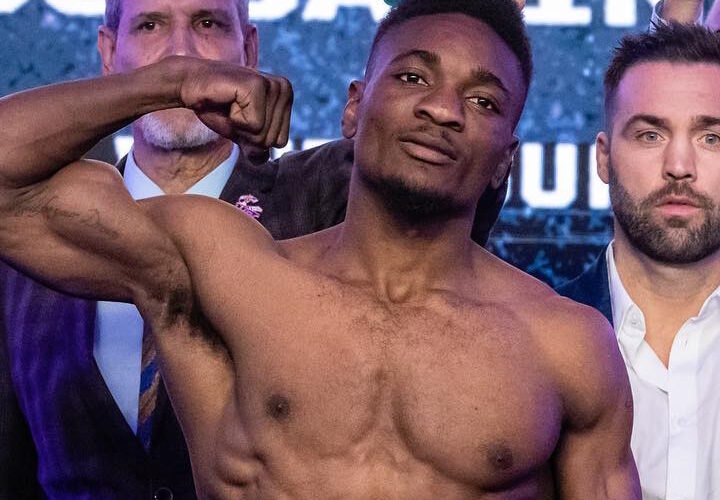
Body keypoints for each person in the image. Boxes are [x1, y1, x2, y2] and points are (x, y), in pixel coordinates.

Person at [0, 0, 639, 496]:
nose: (444, 109)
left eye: (483, 100)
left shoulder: (567, 346)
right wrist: (171, 82)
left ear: (506, 158)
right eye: (413, 76)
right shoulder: (230, 276)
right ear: (353, 108)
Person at [557, 22, 720, 500]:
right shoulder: (527, 340)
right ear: (603, 158)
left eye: (712, 138)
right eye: (650, 134)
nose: (679, 166)